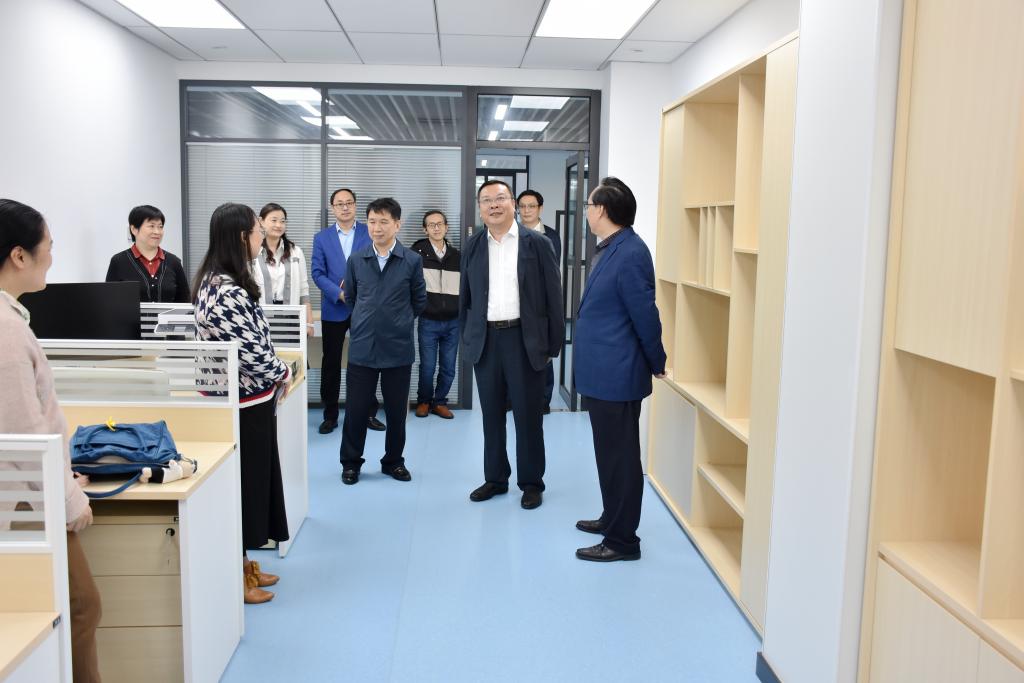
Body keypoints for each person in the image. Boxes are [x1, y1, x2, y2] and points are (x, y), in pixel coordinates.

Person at [0, 198, 102, 681]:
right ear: (19, 255)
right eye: (49, 246)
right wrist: (68, 500)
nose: (52, 257)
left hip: (28, 493)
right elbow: (25, 433)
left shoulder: (12, 320)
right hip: (27, 503)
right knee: (82, 606)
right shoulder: (7, 332)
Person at [193, 202, 290, 603]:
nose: (261, 237)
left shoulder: (224, 280)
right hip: (242, 404)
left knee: (255, 485)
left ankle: (246, 563)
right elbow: (251, 351)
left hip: (250, 398)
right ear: (240, 237)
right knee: (245, 490)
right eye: (256, 231)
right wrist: (283, 372)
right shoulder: (224, 290)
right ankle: (237, 578)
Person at [572, 177, 667, 562]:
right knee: (609, 455)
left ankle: (623, 541)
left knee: (621, 459)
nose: (586, 212)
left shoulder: (631, 253)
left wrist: (657, 361)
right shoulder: (613, 247)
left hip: (617, 374)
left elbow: (645, 314)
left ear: (603, 210)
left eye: (589, 205)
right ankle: (612, 518)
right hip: (604, 373)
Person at [460, 180, 563, 510]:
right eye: (486, 200)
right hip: (486, 340)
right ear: (480, 208)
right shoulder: (474, 245)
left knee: (528, 416)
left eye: (500, 198)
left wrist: (552, 346)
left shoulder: (537, 243)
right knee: (491, 415)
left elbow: (554, 297)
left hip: (524, 340)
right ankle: (495, 478)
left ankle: (531, 482)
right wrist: (467, 337)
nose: (493, 205)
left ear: (513, 204)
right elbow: (466, 298)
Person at [339, 198, 426, 485]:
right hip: (362, 347)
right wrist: (366, 321)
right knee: (356, 411)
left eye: (384, 222)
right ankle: (351, 463)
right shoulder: (356, 260)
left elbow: (419, 300)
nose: (377, 228)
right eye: (372, 222)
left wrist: (398, 321)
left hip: (398, 348)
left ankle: (393, 462)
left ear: (397, 225)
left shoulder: (411, 260)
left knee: (397, 413)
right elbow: (351, 298)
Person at [311, 189, 386, 435]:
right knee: (331, 362)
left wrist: (358, 291)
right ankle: (330, 415)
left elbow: (379, 263)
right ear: (333, 208)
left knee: (366, 360)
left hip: (365, 307)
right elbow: (317, 273)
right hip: (334, 308)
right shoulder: (321, 238)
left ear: (355, 205)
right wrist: (339, 293)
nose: (345, 207)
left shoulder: (369, 231)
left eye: (349, 203)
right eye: (339, 204)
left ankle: (368, 413)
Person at [411, 210, 460, 419]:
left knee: (448, 367)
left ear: (446, 227)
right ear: (425, 229)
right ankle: (424, 401)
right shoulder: (416, 255)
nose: (436, 228)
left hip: (453, 322)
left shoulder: (457, 256)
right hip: (428, 320)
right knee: (428, 367)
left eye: (440, 224)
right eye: (432, 225)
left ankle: (439, 402)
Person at [517, 189, 561, 413]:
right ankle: (515, 399)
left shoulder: (550, 236)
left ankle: (543, 401)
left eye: (531, 206)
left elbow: (552, 272)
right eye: (522, 206)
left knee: (542, 354)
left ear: (540, 209)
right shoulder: (511, 233)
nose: (526, 211)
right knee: (517, 354)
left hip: (541, 304)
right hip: (516, 303)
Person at [105, 204, 190, 303]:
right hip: (130, 314)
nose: (157, 232)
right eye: (151, 226)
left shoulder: (174, 262)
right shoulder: (119, 261)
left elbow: (185, 301)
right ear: (134, 229)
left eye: (160, 227)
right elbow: (109, 301)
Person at [253, 203, 313, 336]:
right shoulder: (253, 252)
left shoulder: (296, 252)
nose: (278, 225)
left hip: (291, 317)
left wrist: (309, 323)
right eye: (274, 220)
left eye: (282, 221)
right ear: (261, 221)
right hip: (260, 317)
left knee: (291, 349)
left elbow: (304, 290)